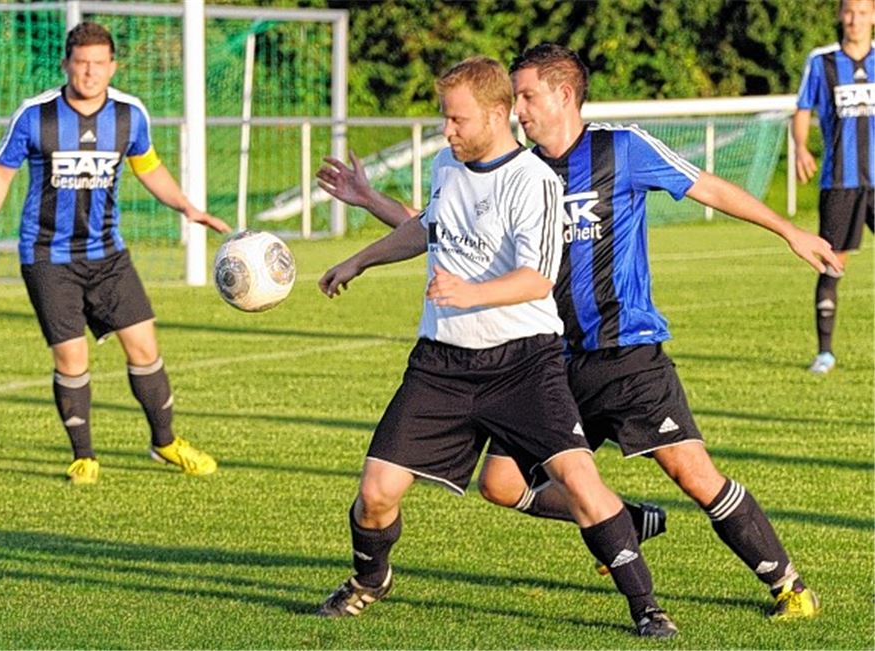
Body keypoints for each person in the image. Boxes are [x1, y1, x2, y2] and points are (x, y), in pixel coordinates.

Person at [319, 43, 840, 622]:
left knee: (691, 472)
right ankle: (627, 520)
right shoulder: (516, 167)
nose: (518, 109)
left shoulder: (621, 148)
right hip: (549, 360)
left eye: (527, 96)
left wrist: (788, 230)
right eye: (513, 97)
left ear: (564, 94)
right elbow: (443, 228)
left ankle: (787, 583)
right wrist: (369, 203)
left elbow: (708, 187)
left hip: (625, 352)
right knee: (501, 483)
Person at [315, 56, 678, 638]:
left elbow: (537, 278)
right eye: (445, 119)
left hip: (522, 364)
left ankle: (646, 607)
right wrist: (359, 259)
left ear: (495, 114)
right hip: (440, 365)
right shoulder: (446, 165)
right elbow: (427, 226)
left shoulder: (533, 181)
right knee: (376, 495)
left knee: (582, 483)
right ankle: (369, 580)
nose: (447, 130)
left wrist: (469, 291)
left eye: (457, 120)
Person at [0, 22, 228, 484]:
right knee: (72, 358)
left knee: (144, 346)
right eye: (81, 63)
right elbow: (1, 173)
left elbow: (150, 167)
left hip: (108, 254)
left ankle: (164, 442)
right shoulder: (36, 115)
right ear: (66, 65)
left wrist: (188, 207)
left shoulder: (129, 115)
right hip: (47, 256)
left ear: (112, 66)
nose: (89, 73)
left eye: (99, 64)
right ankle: (84, 455)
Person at [794, 0, 874, 374]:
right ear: (841, 15)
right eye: (849, 12)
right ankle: (825, 353)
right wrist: (799, 148)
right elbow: (803, 108)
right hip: (840, 182)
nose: (855, 19)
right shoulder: (822, 62)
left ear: (873, 17)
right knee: (832, 262)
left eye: (862, 12)